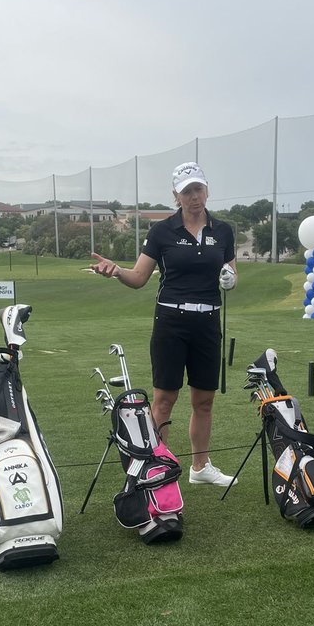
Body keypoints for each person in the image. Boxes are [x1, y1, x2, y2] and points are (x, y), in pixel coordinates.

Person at [90, 161, 237, 486]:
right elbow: (139, 278)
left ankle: (201, 468)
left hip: (208, 321)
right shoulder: (163, 231)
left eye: (199, 189)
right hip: (171, 321)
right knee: (164, 399)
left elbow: (230, 272)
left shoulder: (223, 230)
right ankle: (157, 468)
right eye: (187, 192)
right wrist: (116, 271)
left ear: (207, 189)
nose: (194, 197)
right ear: (177, 195)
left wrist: (230, 279)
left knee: (204, 399)